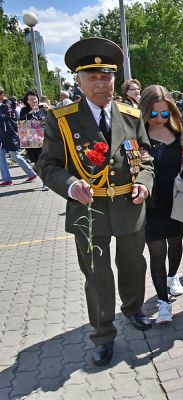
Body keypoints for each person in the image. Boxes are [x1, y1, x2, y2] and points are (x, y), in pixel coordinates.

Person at [36, 37, 155, 366]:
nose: (101, 83)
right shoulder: (62, 119)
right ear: (79, 80)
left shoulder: (131, 115)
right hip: (88, 210)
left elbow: (145, 158)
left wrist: (144, 183)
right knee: (97, 274)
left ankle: (133, 308)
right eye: (93, 77)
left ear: (115, 78)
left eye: (106, 76)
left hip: (129, 206)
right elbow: (47, 165)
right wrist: (72, 185)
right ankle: (103, 333)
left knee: (133, 264)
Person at [138, 85, 183, 323]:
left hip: (177, 200)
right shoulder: (137, 135)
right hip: (149, 202)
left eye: (165, 114)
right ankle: (163, 301)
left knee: (176, 242)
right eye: (154, 114)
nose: (159, 119)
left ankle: (173, 276)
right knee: (156, 251)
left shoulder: (180, 134)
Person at [0, 88, 38, 185]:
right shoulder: (4, 105)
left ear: (1, 95)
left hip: (10, 134)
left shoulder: (7, 104)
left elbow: (7, 118)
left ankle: (31, 174)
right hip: (4, 135)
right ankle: (7, 179)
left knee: (15, 156)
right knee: (1, 156)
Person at [19, 90, 47, 165]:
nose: (34, 100)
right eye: (31, 99)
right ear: (27, 101)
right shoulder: (24, 110)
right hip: (31, 141)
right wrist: (30, 113)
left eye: (35, 98)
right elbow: (22, 122)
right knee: (36, 159)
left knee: (45, 158)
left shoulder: (42, 108)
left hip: (44, 139)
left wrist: (48, 109)